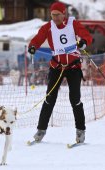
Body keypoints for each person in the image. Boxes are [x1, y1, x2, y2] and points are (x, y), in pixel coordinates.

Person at [28, 2, 93, 143]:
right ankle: (41, 130)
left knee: (75, 99)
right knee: (49, 98)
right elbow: (38, 38)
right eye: (53, 15)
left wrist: (83, 42)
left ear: (64, 13)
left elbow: (86, 35)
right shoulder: (48, 27)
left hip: (73, 67)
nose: (55, 17)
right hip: (56, 67)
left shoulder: (72, 23)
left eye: (58, 14)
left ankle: (80, 131)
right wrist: (32, 46)